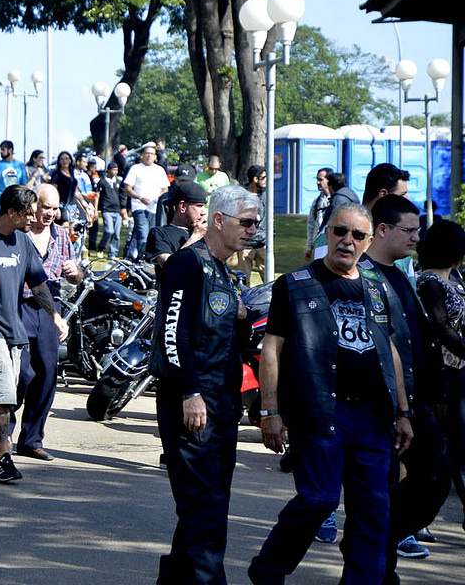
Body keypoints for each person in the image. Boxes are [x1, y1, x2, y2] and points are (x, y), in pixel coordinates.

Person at [248, 204, 413, 585]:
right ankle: (269, 570)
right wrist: (270, 410)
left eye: (358, 235)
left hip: (373, 417)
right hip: (322, 412)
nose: (347, 241)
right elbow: (272, 347)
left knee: (374, 510)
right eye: (340, 231)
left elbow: (390, 351)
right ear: (327, 233)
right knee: (318, 500)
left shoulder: (377, 286)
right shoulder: (295, 283)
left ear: (369, 241)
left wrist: (404, 411)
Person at [148, 184, 258, 584]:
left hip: (223, 401)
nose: (251, 231)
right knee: (204, 506)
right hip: (191, 398)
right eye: (245, 222)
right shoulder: (186, 264)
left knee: (209, 503)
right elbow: (172, 335)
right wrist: (190, 392)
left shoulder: (226, 271)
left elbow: (224, 339)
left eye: (255, 224)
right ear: (217, 219)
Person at [0, 185, 68, 483]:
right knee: (3, 395)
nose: (34, 219)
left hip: (14, 332)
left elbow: (39, 283)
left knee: (0, 396)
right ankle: (4, 458)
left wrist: (55, 315)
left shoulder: (22, 241)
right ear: (11, 212)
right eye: (28, 213)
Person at [364, 195, 450, 572]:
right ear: (383, 230)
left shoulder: (400, 274)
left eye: (418, 230)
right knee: (380, 493)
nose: (417, 238)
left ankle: (380, 542)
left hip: (416, 401)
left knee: (435, 476)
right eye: (409, 230)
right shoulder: (362, 277)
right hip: (384, 405)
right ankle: (374, 563)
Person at [15, 184, 82, 460]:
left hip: (48, 308)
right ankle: (2, 432)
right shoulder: (20, 233)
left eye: (55, 208)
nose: (51, 213)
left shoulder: (62, 235)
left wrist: (74, 272)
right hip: (18, 305)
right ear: (34, 205)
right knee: (18, 374)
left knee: (45, 375)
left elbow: (76, 279)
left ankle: (31, 439)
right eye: (46, 207)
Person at [416, 220, 465, 541]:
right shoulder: (429, 282)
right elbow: (442, 327)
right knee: (445, 450)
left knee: (458, 449)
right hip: (439, 376)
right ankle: (416, 518)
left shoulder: (456, 279)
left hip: (459, 371)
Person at [145, 181, 208, 283]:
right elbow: (171, 267)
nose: (204, 212)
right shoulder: (159, 234)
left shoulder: (204, 234)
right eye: (199, 206)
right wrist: (195, 237)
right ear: (182, 206)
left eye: (204, 206)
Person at [122, 142, 170, 260]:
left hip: (154, 208)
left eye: (152, 154)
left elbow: (165, 188)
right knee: (143, 234)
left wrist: (158, 196)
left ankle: (143, 258)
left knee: (152, 235)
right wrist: (140, 198)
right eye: (147, 153)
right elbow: (127, 188)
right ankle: (142, 260)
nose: (149, 156)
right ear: (141, 155)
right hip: (140, 207)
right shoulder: (136, 168)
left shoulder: (159, 170)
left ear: (155, 157)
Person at [234, 164, 267, 281]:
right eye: (263, 178)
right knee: (243, 280)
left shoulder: (266, 194)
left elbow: (270, 216)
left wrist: (270, 236)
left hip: (262, 243)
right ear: (255, 179)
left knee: (268, 279)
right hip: (245, 244)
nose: (266, 180)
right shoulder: (241, 194)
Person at [0, 140, 27, 216]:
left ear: (10, 150)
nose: (1, 152)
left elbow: (24, 185)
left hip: (16, 201)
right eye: (0, 149)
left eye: (3, 149)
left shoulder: (20, 165)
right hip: (1, 203)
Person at [49, 151, 91, 223]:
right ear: (59, 161)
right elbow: (53, 191)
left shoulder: (72, 174)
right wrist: (55, 207)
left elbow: (76, 192)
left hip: (72, 206)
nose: (64, 161)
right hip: (61, 205)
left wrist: (85, 205)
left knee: (74, 228)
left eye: (66, 159)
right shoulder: (57, 174)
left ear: (70, 160)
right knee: (65, 227)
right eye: (62, 159)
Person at [96, 161, 126, 258]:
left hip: (117, 210)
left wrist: (124, 207)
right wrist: (97, 208)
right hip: (106, 210)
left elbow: (123, 195)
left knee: (116, 233)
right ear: (108, 170)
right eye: (113, 169)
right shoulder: (102, 181)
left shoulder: (119, 182)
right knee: (109, 231)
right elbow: (98, 195)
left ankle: (113, 253)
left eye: (117, 170)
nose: (115, 172)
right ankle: (101, 247)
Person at [304, 167, 333, 262]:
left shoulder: (336, 201)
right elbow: (311, 225)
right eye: (317, 179)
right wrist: (309, 248)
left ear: (329, 181)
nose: (317, 182)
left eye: (320, 179)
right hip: (318, 244)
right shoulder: (317, 202)